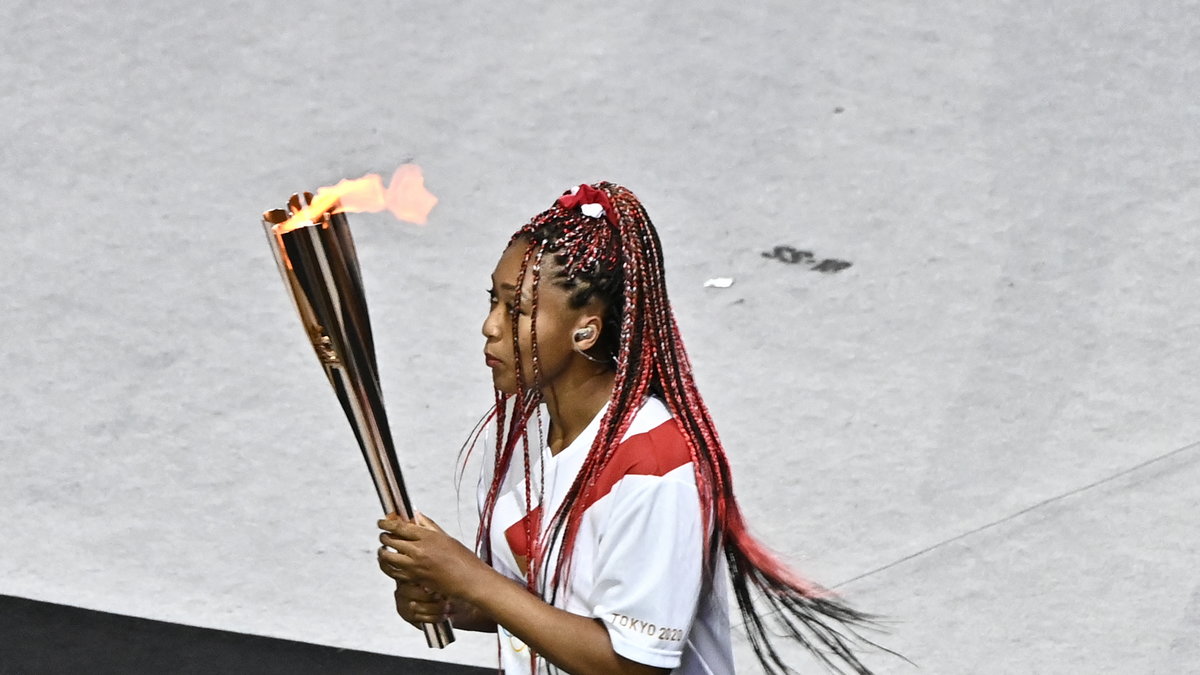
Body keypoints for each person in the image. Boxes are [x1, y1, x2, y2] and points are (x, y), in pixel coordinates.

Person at [376, 182, 883, 674]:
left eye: (518, 309)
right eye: (493, 301)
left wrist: (472, 580)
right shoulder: (525, 440)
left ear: (586, 329)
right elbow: (535, 604)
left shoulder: (654, 467)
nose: (490, 325)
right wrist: (445, 594)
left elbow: (633, 665)